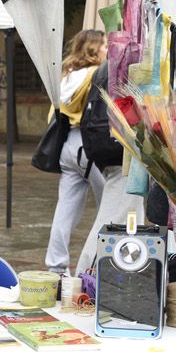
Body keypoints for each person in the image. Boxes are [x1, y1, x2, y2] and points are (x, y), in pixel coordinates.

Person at [45, 29, 112, 273]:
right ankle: (98, 265)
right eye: (104, 45)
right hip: (89, 146)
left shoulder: (67, 76)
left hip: (67, 147)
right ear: (93, 48)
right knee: (111, 207)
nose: (107, 49)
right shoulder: (98, 74)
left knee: (65, 210)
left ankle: (56, 267)